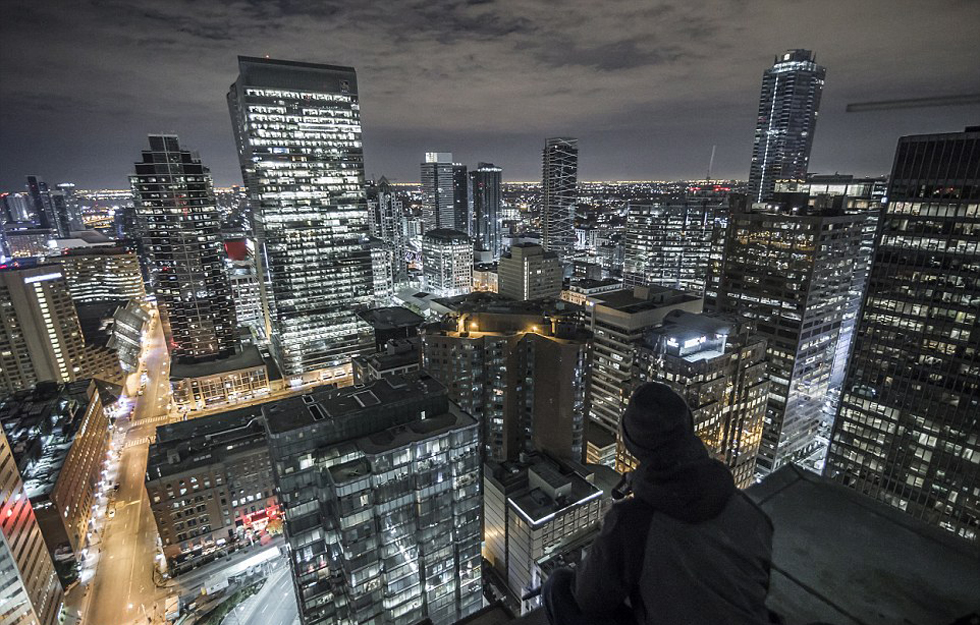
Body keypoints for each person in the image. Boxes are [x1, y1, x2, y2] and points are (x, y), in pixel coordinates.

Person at [542, 382, 774, 624]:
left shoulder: (632, 522)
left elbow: (587, 596)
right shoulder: (749, 510)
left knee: (557, 587)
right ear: (689, 430)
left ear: (633, 446)